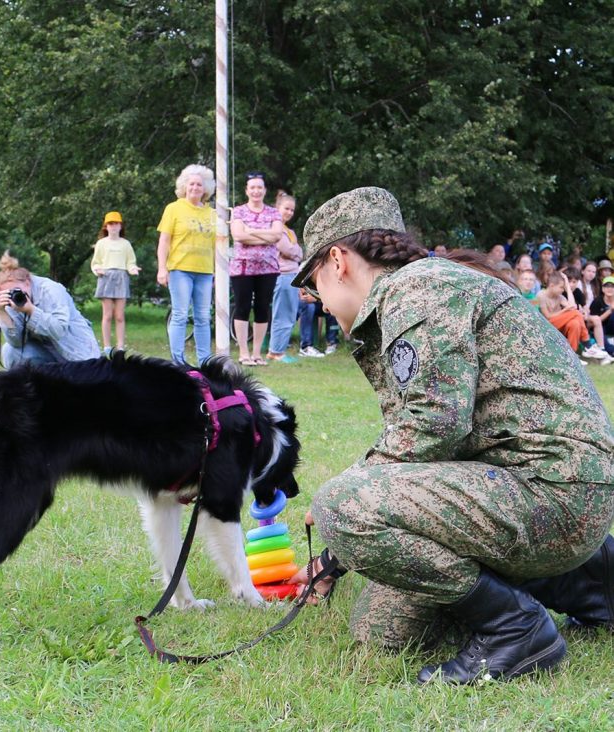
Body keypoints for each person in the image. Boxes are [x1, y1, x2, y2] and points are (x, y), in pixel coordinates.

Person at [288, 186, 614, 685]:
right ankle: (593, 580)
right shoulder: (417, 293)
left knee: (338, 505)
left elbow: (434, 424)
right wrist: (343, 548)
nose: (321, 303)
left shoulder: (416, 290)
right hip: (537, 487)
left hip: (550, 491)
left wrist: (350, 503)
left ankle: (517, 629)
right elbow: (429, 444)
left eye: (313, 286)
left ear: (338, 261)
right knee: (382, 632)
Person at [0, 250, 100, 368]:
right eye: (9, 292)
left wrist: (31, 310)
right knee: (9, 351)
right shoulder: (12, 300)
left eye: (16, 290)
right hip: (45, 352)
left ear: (28, 282)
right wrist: (2, 312)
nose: (14, 294)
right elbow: (17, 343)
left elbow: (59, 330)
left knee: (84, 381)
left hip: (77, 352)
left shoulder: (51, 290)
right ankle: (30, 385)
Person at [156, 164, 217, 365]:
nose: (195, 188)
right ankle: (178, 361)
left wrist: (218, 272)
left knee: (203, 317)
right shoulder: (173, 208)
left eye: (199, 184)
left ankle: (204, 361)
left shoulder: (212, 213)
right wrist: (162, 268)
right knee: (180, 314)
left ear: (205, 188)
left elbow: (218, 245)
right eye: (191, 184)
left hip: (205, 271)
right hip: (180, 269)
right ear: (184, 186)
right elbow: (164, 240)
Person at [229, 171, 282, 366]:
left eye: (259, 187)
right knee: (242, 307)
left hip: (268, 268)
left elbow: (277, 236)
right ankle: (243, 352)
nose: (256, 191)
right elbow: (238, 236)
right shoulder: (239, 211)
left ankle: (257, 353)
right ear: (247, 190)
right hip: (242, 267)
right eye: (252, 187)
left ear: (265, 190)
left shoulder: (273, 212)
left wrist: (251, 230)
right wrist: (264, 234)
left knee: (262, 308)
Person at [91, 211, 141, 355]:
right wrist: (97, 270)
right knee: (107, 314)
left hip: (121, 277)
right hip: (105, 277)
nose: (113, 227)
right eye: (111, 224)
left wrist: (133, 269)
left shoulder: (126, 244)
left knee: (119, 315)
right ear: (106, 226)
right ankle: (107, 346)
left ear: (121, 226)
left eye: (116, 223)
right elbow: (96, 262)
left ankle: (120, 346)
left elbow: (130, 262)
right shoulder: (101, 244)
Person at [267, 191, 302, 363]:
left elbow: (297, 252)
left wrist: (295, 251)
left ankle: (277, 350)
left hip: (292, 275)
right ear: (277, 208)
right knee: (283, 314)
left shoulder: (289, 231)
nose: (289, 212)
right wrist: (296, 251)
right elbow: (288, 250)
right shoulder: (275, 227)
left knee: (289, 314)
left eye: (292, 210)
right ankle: (276, 352)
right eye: (286, 208)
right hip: (283, 275)